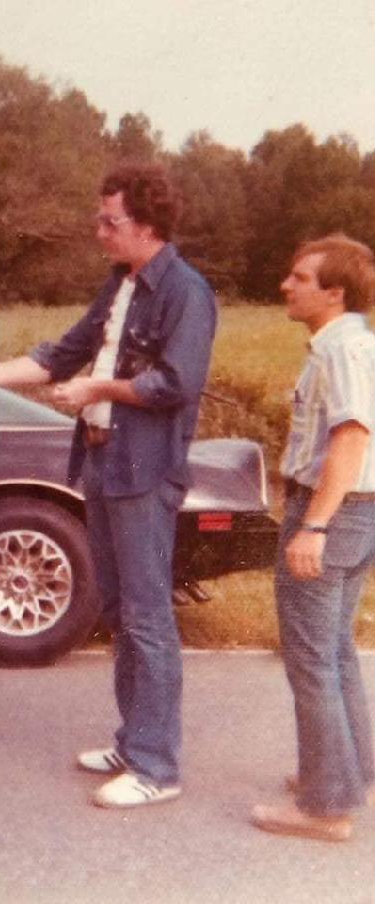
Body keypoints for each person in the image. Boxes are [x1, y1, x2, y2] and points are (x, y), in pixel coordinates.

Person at [0, 164, 216, 804]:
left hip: (144, 471)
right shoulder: (121, 284)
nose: (99, 231)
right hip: (103, 461)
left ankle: (156, 767)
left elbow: (176, 383)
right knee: (119, 609)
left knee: (147, 617)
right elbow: (59, 355)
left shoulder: (187, 292)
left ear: (146, 227)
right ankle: (134, 740)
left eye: (109, 222)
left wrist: (97, 389)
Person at [251, 235, 375, 842]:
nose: (285, 285)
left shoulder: (339, 351)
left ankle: (327, 806)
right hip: (358, 511)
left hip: (335, 512)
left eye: (299, 278)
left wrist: (315, 525)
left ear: (335, 292)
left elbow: (351, 438)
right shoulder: (354, 344)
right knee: (335, 651)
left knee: (311, 659)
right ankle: (349, 773)